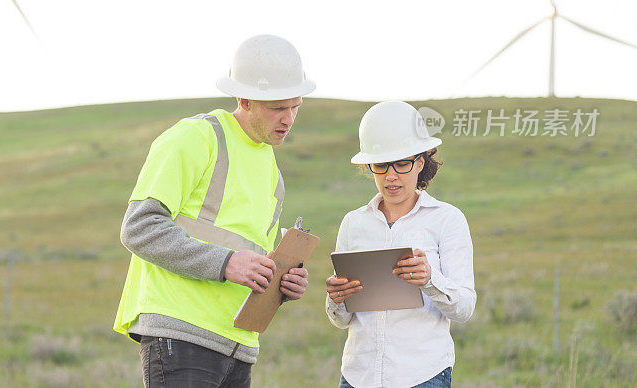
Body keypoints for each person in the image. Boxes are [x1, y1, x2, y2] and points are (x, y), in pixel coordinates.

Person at [114, 34, 316, 387]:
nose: (288, 118)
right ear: (244, 99)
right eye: (277, 107)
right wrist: (225, 263)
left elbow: (253, 259)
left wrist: (281, 283)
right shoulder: (196, 137)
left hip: (238, 345)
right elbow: (138, 227)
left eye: (295, 106)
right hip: (182, 334)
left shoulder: (272, 173)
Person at [325, 101, 476, 388]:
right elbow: (341, 321)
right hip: (358, 376)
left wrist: (430, 279)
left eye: (402, 163)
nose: (391, 176)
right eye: (381, 165)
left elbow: (465, 308)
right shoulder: (353, 224)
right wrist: (337, 298)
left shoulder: (447, 220)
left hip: (422, 375)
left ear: (420, 162)